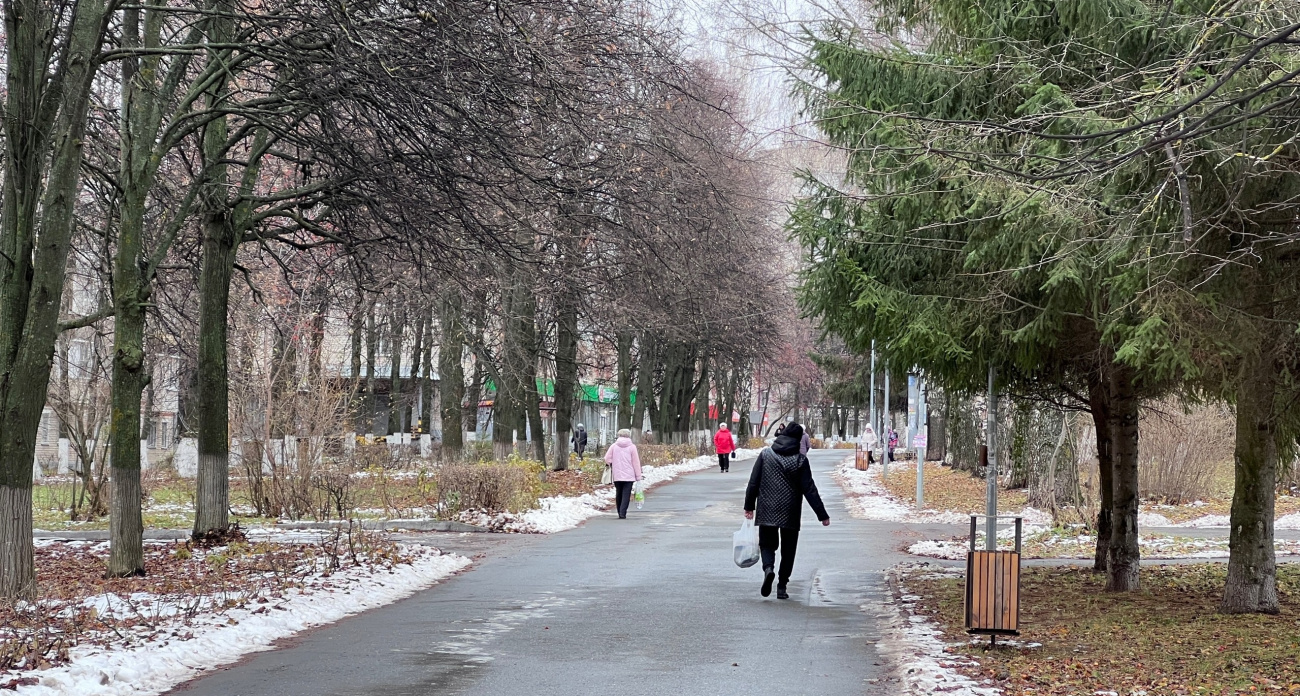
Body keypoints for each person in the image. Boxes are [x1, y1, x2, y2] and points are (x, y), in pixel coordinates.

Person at [743, 421, 830, 600]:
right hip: (790, 511)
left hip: (767, 508)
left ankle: (768, 569)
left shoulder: (766, 455)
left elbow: (754, 482)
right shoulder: (800, 460)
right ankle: (782, 586)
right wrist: (822, 515)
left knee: (767, 544)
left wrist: (749, 506)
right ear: (798, 440)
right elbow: (809, 489)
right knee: (788, 550)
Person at [604, 428, 642, 518]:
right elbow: (636, 462)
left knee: (618, 493)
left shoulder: (614, 446)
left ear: (619, 435)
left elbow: (607, 458)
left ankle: (619, 511)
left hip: (617, 474)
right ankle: (622, 513)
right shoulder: (632, 447)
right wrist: (638, 476)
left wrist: (612, 463)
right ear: (629, 435)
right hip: (629, 475)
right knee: (626, 494)